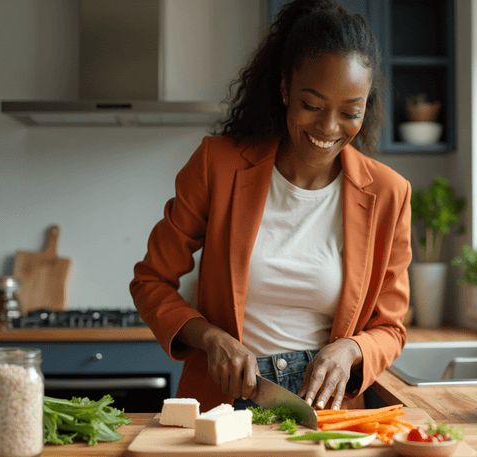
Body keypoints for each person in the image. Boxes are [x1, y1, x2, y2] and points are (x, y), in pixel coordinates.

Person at [130, 0, 411, 413]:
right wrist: (210, 338)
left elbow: (390, 327)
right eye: (312, 105)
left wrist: (351, 348)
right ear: (285, 89)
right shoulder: (217, 165)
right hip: (224, 404)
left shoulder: (389, 193)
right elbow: (151, 281)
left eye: (350, 111)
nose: (329, 128)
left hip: (327, 412)